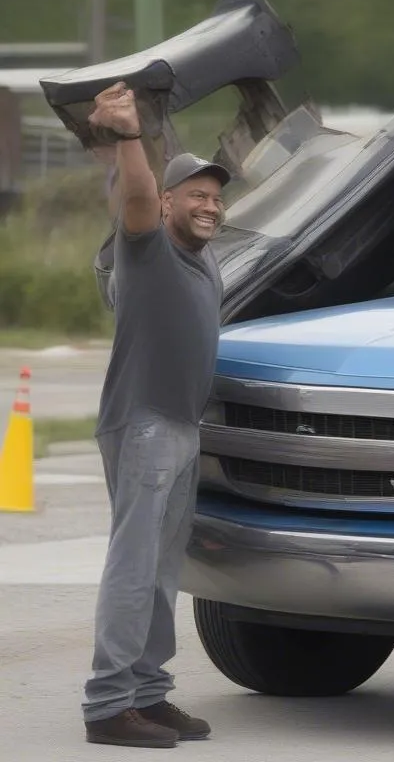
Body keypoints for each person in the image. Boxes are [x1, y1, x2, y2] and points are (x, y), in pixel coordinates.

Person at [81, 81, 228, 749]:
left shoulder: (204, 261)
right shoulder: (149, 249)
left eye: (216, 195)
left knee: (164, 570)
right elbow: (134, 198)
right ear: (167, 202)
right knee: (135, 566)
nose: (209, 203)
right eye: (195, 193)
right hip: (143, 426)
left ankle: (148, 691)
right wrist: (127, 136)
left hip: (182, 431)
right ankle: (109, 705)